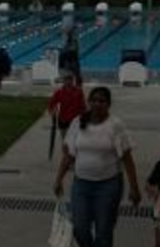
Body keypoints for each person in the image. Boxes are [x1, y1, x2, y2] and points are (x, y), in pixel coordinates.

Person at [53, 86, 142, 247]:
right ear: (88, 102)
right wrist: (58, 179)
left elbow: (127, 159)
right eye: (93, 100)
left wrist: (134, 188)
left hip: (108, 186)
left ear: (108, 104)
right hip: (81, 185)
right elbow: (69, 155)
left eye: (101, 101)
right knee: (79, 228)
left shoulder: (115, 125)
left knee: (104, 231)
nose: (97, 104)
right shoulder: (78, 122)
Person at [47, 71, 87, 138]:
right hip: (63, 119)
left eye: (70, 79)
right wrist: (52, 110)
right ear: (64, 81)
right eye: (66, 79)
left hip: (75, 120)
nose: (68, 82)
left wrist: (84, 117)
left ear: (73, 80)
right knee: (65, 139)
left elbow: (82, 106)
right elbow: (52, 102)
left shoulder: (78, 92)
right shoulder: (60, 92)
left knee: (74, 139)